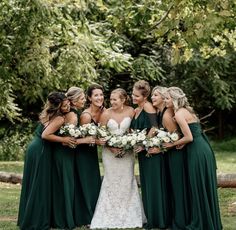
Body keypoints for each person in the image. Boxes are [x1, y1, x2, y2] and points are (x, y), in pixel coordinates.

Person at [164, 86, 222, 229]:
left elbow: (189, 137)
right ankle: (208, 220)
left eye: (167, 98)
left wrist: (172, 144)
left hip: (196, 150)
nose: (165, 101)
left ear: (174, 99)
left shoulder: (178, 114)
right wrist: (181, 143)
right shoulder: (187, 111)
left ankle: (201, 222)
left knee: (197, 185)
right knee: (202, 185)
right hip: (203, 148)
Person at [17, 92, 76, 230]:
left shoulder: (48, 114)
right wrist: (64, 139)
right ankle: (36, 220)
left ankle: (32, 216)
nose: (68, 105)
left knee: (34, 183)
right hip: (42, 150)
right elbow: (45, 135)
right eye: (65, 103)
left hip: (34, 148)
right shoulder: (59, 118)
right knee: (40, 184)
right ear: (59, 105)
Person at [90, 88, 146, 229]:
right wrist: (112, 147)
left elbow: (133, 131)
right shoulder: (106, 113)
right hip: (109, 154)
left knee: (127, 180)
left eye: (115, 99)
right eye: (111, 99)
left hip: (127, 154)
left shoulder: (131, 111)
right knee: (111, 181)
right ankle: (108, 214)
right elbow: (101, 135)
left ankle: (130, 214)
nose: (111, 101)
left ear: (123, 100)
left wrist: (130, 144)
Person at [42, 87, 94, 229]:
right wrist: (86, 140)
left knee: (66, 185)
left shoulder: (72, 113)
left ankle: (65, 217)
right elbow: (68, 140)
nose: (84, 101)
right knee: (66, 185)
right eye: (82, 99)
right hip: (64, 153)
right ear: (74, 101)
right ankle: (64, 219)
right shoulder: (72, 115)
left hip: (68, 154)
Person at [130, 80, 171, 229]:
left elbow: (155, 127)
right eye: (133, 94)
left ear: (144, 96)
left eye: (136, 95)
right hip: (143, 152)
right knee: (147, 184)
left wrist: (143, 143)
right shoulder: (137, 109)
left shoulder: (147, 106)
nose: (133, 97)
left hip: (152, 152)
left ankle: (159, 219)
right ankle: (151, 217)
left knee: (154, 185)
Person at [150, 86, 190, 229]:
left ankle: (180, 220)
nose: (152, 97)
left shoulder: (167, 115)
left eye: (156, 95)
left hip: (176, 155)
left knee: (178, 186)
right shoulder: (161, 112)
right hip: (171, 154)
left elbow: (176, 137)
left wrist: (159, 147)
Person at [74, 83, 105, 226]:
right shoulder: (86, 116)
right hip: (82, 154)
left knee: (94, 183)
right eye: (96, 95)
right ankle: (86, 217)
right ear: (89, 98)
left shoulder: (104, 111)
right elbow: (76, 138)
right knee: (86, 183)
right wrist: (95, 141)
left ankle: (95, 214)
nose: (99, 97)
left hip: (92, 154)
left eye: (101, 94)